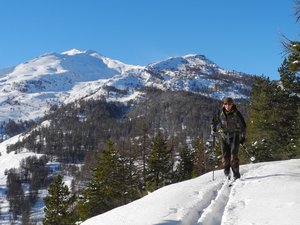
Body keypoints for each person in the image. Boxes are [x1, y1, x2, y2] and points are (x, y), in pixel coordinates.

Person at [211, 97, 246, 180]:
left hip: (234, 136)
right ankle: (227, 173)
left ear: (232, 104)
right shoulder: (220, 113)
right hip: (223, 136)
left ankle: (236, 175)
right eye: (226, 104)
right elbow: (214, 122)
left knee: (234, 156)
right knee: (225, 157)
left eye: (229, 104)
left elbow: (243, 126)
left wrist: (242, 137)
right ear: (224, 104)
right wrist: (213, 128)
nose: (228, 106)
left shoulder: (237, 113)